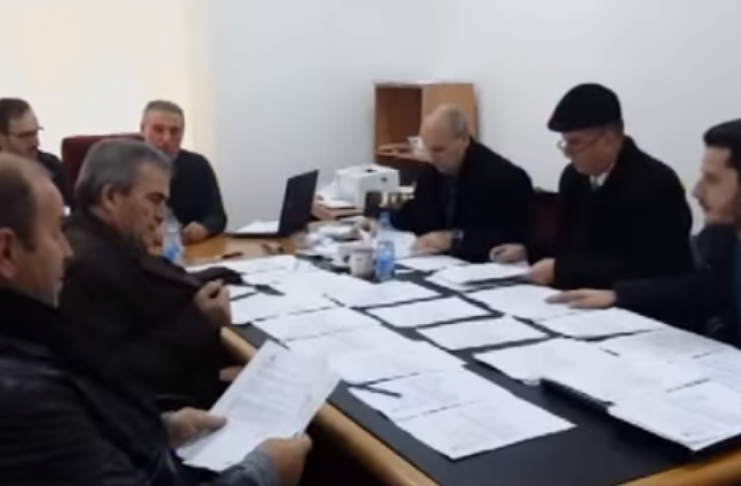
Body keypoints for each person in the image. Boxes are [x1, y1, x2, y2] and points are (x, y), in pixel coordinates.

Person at [0, 151, 312, 485]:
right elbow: (121, 368)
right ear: (6, 251)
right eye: (54, 234)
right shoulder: (25, 396)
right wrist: (264, 473)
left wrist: (161, 429)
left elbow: (97, 405)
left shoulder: (31, 337)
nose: (66, 251)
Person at [59, 139, 233, 409]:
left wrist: (210, 278)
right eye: (155, 200)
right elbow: (118, 371)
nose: (161, 215)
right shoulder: (86, 267)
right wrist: (200, 321)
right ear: (111, 197)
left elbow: (153, 275)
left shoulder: (104, 238)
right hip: (170, 414)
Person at [552, 120, 741, 346]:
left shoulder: (653, 183)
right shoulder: (720, 237)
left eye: (712, 180)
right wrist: (619, 295)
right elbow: (702, 290)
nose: (697, 191)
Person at [495, 83, 693, 289]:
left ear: (610, 139)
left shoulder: (656, 184)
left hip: (630, 301)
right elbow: (567, 244)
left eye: (575, 142)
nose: (567, 152)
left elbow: (650, 266)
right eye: (564, 142)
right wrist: (530, 252)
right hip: (577, 295)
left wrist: (562, 270)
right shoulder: (574, 176)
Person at [389, 104, 533, 263]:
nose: (431, 157)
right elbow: (417, 214)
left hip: (481, 269)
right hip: (437, 264)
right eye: (427, 150)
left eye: (438, 150)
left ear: (464, 140)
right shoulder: (431, 171)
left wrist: (454, 240)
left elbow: (510, 239)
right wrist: (380, 217)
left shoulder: (504, 177)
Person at [141, 99, 227, 243]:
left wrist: (204, 228)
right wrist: (145, 233)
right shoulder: (123, 167)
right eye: (158, 130)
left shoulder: (197, 165)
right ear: (143, 129)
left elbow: (217, 216)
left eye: (174, 131)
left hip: (187, 248)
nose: (167, 138)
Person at [0, 97, 71, 206]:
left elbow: (74, 206)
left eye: (36, 132)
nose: (36, 143)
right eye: (25, 136)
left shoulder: (51, 166)